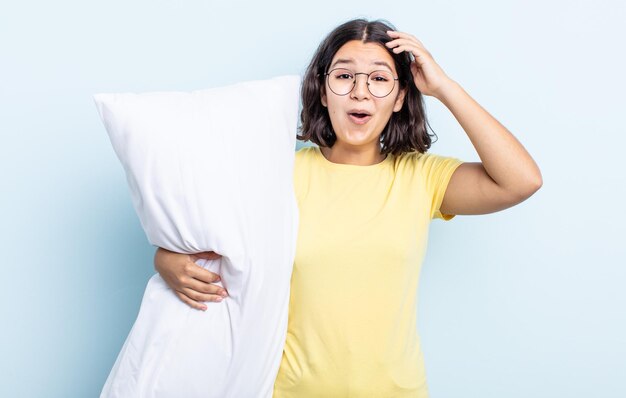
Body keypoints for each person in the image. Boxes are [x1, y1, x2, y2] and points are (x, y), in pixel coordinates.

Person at [154, 18, 542, 397]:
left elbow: (521, 181)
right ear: (323, 92)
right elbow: (201, 237)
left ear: (400, 96)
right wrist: (166, 260)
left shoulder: (421, 176)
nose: (360, 91)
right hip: (290, 391)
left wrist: (444, 87)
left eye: (378, 79)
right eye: (344, 76)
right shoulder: (277, 173)